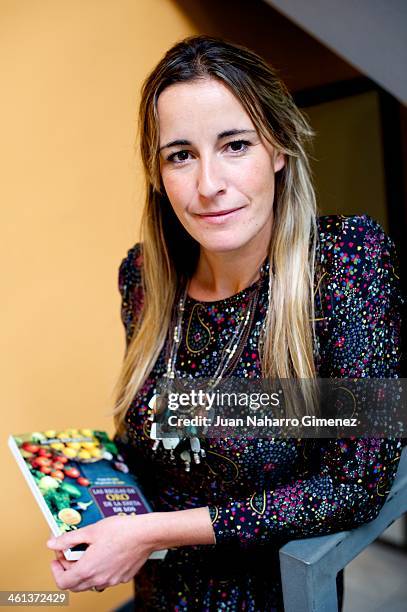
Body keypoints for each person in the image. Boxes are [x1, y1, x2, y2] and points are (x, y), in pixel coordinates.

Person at [47, 36, 405, 611]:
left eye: (235, 144)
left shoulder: (348, 264)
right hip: (157, 596)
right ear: (157, 172)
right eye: (180, 154)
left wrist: (149, 533)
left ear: (280, 148)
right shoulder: (144, 276)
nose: (208, 185)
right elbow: (155, 438)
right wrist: (84, 504)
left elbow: (355, 485)